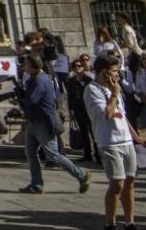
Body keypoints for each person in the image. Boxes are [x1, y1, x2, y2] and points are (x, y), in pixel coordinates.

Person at [87, 55, 146, 230]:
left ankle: (130, 222)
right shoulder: (92, 90)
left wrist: (136, 137)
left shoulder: (115, 87)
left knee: (129, 182)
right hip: (109, 142)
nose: (117, 74)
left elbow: (123, 116)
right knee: (117, 184)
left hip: (126, 140)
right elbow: (107, 113)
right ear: (103, 72)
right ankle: (110, 223)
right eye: (114, 71)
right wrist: (114, 94)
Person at [18, 55, 90, 195]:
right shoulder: (35, 78)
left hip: (43, 123)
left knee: (53, 155)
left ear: (32, 66)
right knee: (31, 152)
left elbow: (31, 100)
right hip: (33, 121)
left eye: (26, 64)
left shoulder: (40, 80)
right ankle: (36, 184)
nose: (24, 66)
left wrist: (20, 96)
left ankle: (81, 175)